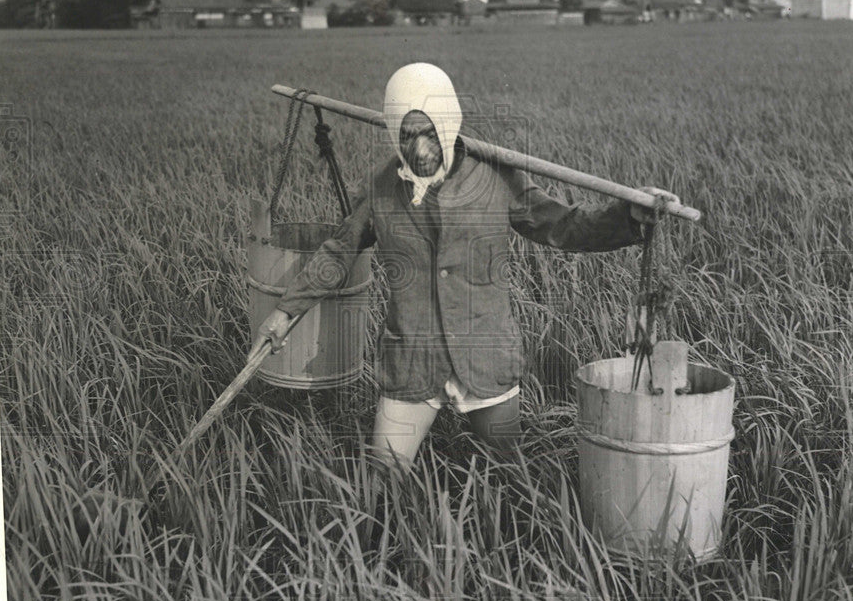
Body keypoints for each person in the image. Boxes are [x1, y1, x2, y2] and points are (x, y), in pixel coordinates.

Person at [249, 63, 678, 473]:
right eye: (408, 135)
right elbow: (338, 251)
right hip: (413, 361)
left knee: (512, 474)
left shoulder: (495, 177)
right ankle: (376, 545)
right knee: (382, 473)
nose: (419, 149)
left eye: (429, 134)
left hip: (484, 355)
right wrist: (286, 311)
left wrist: (628, 217)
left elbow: (565, 227)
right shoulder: (384, 188)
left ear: (448, 125)